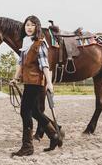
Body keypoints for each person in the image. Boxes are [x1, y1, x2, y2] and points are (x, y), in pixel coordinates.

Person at [10, 15, 64, 157]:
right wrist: (15, 78)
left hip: (36, 83)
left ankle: (27, 147)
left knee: (25, 112)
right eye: (27, 25)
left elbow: (45, 65)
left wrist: (50, 83)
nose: (29, 27)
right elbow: (21, 63)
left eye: (32, 25)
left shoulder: (40, 43)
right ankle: (54, 135)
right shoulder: (26, 42)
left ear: (37, 27)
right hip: (28, 82)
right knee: (35, 112)